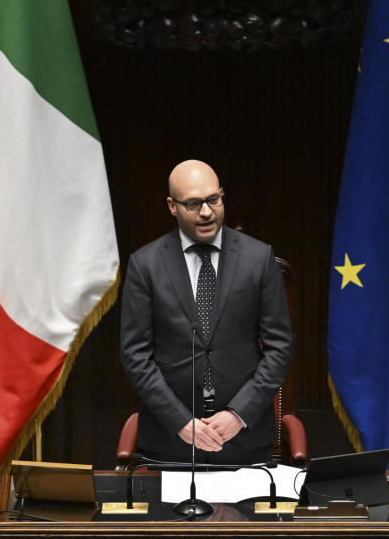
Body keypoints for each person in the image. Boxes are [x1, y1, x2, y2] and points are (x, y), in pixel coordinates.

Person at [119, 159, 293, 464]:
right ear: (172, 206)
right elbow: (135, 355)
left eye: (214, 199)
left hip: (245, 442)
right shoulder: (145, 265)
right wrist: (181, 423)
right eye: (193, 203)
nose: (206, 211)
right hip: (171, 444)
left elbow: (279, 348)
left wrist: (238, 414)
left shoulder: (258, 257)